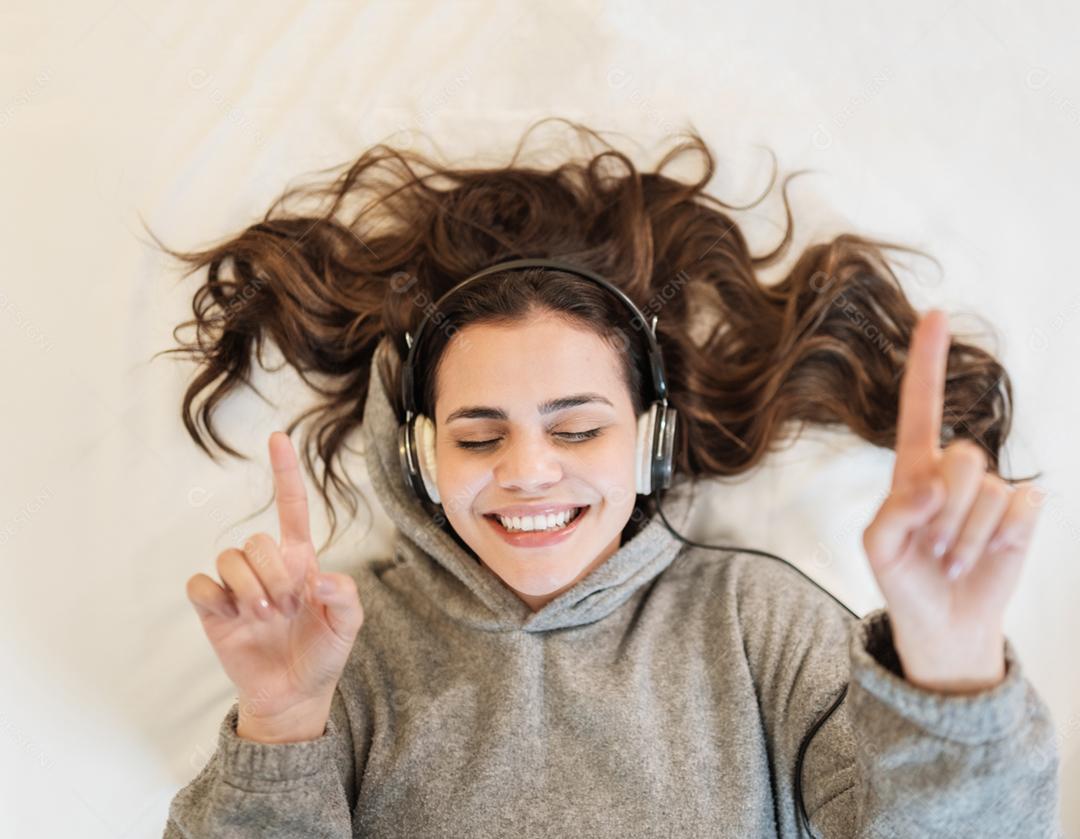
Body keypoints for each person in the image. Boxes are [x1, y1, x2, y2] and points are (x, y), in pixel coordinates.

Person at [157, 119, 1061, 837]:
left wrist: (950, 679)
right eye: (478, 439)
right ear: (422, 456)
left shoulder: (757, 626)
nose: (528, 473)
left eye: (578, 427)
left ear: (650, 439)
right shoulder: (340, 650)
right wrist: (280, 723)